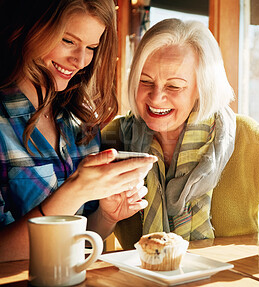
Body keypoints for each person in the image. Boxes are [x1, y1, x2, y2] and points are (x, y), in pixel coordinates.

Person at [101, 18, 259, 249]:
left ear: (201, 88)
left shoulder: (246, 137)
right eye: (145, 81)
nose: (156, 97)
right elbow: (83, 224)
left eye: (174, 86)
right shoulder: (114, 138)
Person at [0, 0, 157, 262]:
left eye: (92, 47)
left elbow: (81, 241)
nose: (80, 60)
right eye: (68, 41)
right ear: (32, 28)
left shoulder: (80, 123)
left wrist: (106, 215)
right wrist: (75, 191)